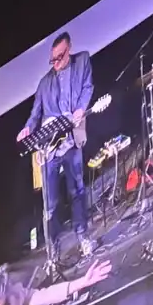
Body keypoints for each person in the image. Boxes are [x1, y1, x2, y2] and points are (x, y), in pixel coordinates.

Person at [17, 32, 95, 256]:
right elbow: (35, 115)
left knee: (77, 190)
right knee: (50, 203)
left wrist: (81, 108)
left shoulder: (82, 61)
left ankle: (83, 236)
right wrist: (27, 128)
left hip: (71, 141)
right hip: (50, 148)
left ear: (68, 50)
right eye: (53, 60)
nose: (56, 63)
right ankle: (54, 249)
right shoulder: (44, 84)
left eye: (60, 58)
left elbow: (88, 87)